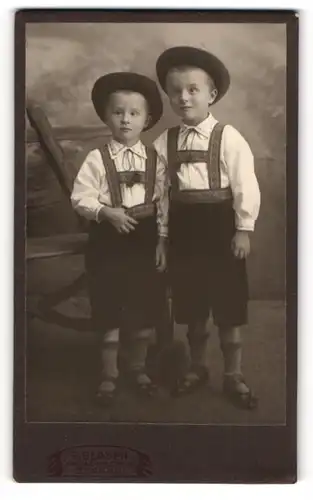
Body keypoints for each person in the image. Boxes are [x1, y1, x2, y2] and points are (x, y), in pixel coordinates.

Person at [153, 46, 261, 409]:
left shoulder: (229, 137)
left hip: (220, 230)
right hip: (184, 233)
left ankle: (233, 373)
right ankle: (197, 367)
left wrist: (243, 228)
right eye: (175, 90)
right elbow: (160, 197)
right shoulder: (163, 143)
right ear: (168, 95)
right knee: (192, 306)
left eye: (193, 89)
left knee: (228, 306)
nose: (183, 97)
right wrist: (164, 239)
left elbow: (246, 183)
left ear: (211, 94)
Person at [71, 72, 168, 405]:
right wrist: (105, 212)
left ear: (148, 119)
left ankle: (139, 368)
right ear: (106, 116)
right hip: (107, 241)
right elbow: (80, 197)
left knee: (143, 304)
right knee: (109, 304)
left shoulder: (157, 160)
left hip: (144, 239)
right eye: (117, 112)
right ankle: (109, 374)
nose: (125, 119)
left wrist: (160, 242)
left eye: (134, 113)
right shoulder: (97, 158)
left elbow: (163, 205)